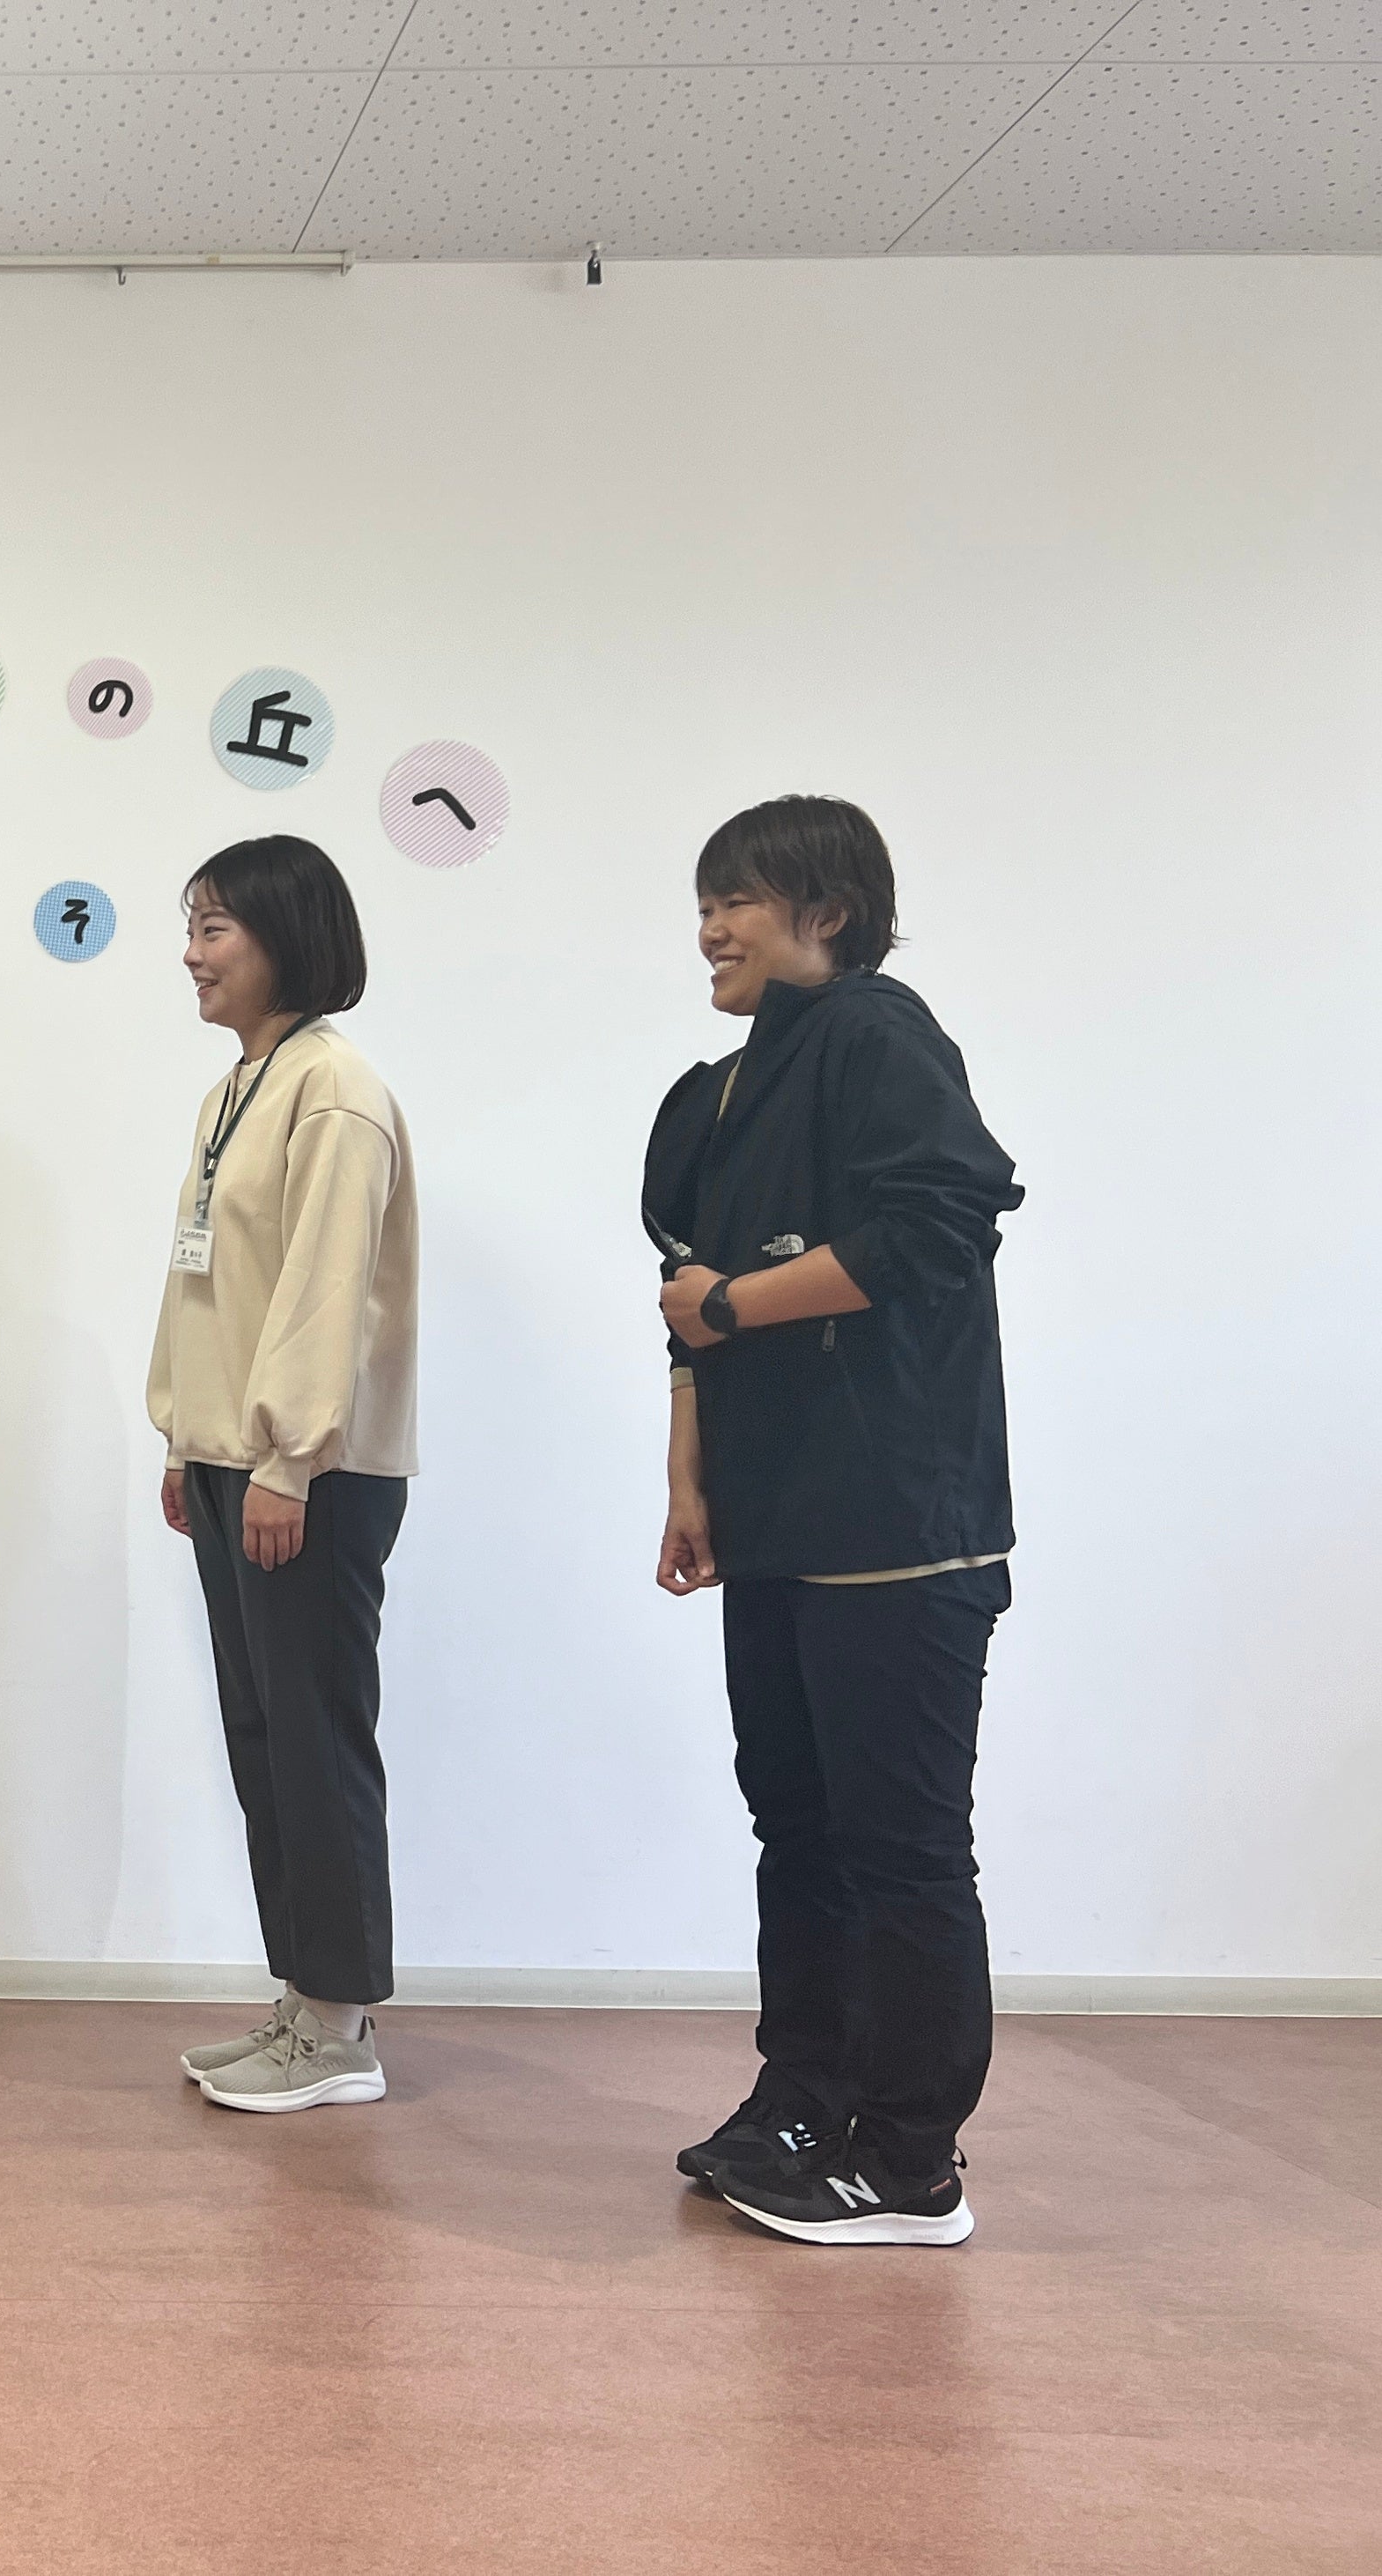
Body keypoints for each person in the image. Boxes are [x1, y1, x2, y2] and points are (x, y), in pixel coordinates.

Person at [646, 795, 1021, 2248]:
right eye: (704, 901)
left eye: (737, 899)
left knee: (900, 1847)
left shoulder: (876, 1033)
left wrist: (738, 1303)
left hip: (901, 1527)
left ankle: (913, 2160)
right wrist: (689, 1484)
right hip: (777, 1526)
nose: (710, 928)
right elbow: (687, 1305)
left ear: (830, 913)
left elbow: (940, 1225)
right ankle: (805, 2098)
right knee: (796, 1831)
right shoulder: (720, 1093)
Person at [147, 838, 420, 2115]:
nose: (192, 955)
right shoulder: (234, 1093)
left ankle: (343, 2024)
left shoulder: (335, 1090)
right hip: (234, 1460)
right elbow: (207, 1282)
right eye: (193, 928)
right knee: (263, 1736)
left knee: (314, 1736)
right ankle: (306, 2002)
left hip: (307, 1471)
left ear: (286, 939)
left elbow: (325, 1293)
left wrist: (286, 1458)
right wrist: (187, 1439)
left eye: (216, 930)